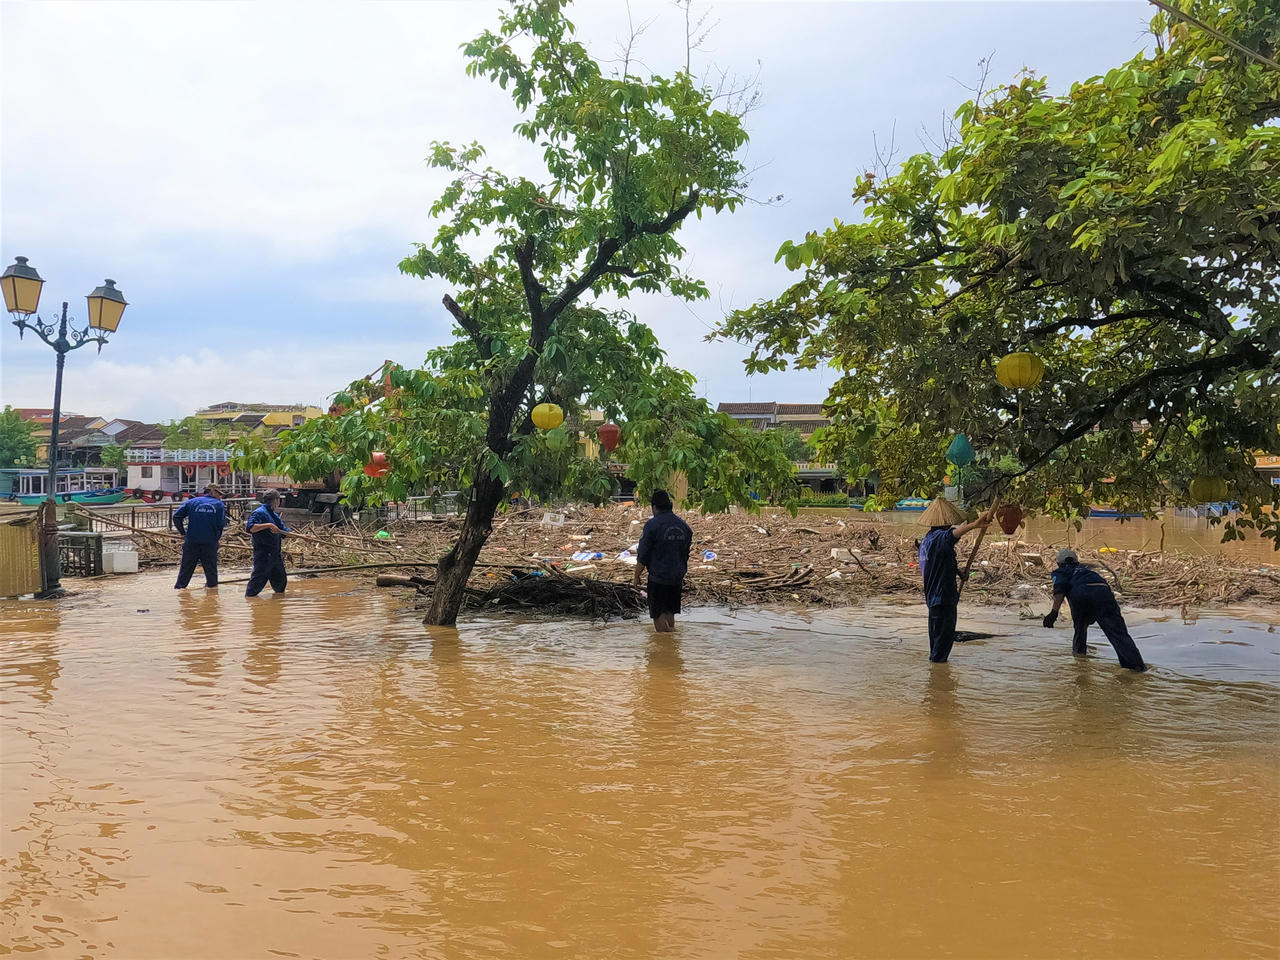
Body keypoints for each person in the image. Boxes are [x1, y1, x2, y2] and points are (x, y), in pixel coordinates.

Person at [918, 497, 994, 663]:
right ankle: (938, 677)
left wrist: (959, 573)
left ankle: (936, 674)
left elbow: (938, 563)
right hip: (943, 598)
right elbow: (952, 535)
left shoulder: (926, 541)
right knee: (941, 651)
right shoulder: (940, 538)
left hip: (934, 599)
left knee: (937, 645)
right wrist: (974, 525)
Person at [1043, 549, 1146, 671]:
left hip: (1081, 596)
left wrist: (1053, 613)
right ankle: (1137, 668)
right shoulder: (1089, 572)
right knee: (1119, 635)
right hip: (1104, 596)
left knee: (1080, 632)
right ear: (1077, 562)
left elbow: (1059, 591)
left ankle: (1080, 663)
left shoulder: (1060, 572)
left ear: (1058, 563)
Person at [633, 489, 693, 633]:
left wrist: (636, 576)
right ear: (670, 505)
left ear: (654, 507)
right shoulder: (684, 526)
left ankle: (666, 643)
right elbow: (685, 553)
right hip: (676, 578)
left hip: (658, 578)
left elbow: (643, 554)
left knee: (658, 615)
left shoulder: (652, 525)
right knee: (669, 612)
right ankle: (673, 643)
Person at [171, 483, 227, 589]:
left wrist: (182, 533)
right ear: (212, 492)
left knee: (186, 569)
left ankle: (180, 590)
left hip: (192, 541)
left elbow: (176, 516)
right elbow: (221, 524)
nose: (220, 497)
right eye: (219, 494)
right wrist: (217, 539)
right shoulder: (218, 505)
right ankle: (212, 593)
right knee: (211, 571)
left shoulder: (191, 502)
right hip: (210, 542)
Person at [245, 489, 294, 598]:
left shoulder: (274, 515)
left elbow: (284, 532)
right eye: (279, 500)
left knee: (281, 584)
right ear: (276, 500)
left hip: (276, 555)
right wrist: (268, 525)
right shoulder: (260, 512)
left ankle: (277, 605)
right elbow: (251, 528)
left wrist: (303, 537)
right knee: (255, 585)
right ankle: (250, 603)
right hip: (263, 555)